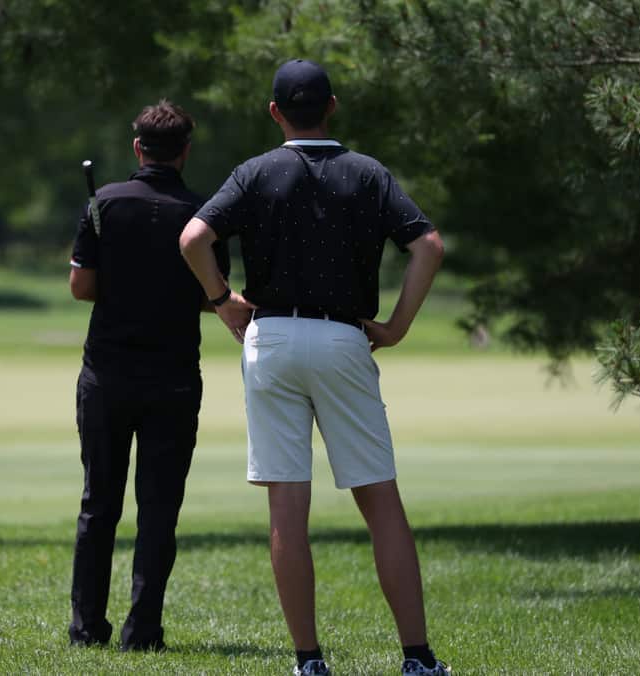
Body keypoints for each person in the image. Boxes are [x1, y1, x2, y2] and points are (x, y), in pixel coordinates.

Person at [179, 60, 451, 676]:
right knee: (379, 498)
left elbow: (194, 239)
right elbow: (427, 246)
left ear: (275, 113)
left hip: (270, 337)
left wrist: (222, 302)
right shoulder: (368, 173)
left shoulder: (254, 173)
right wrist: (399, 326)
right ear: (331, 105)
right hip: (343, 338)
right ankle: (417, 658)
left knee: (286, 505)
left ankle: (308, 662)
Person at [68, 100, 229, 652]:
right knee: (159, 510)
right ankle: (143, 632)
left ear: (138, 148)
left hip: (107, 376)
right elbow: (215, 294)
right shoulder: (206, 212)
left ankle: (86, 629)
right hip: (174, 380)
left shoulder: (103, 204)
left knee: (99, 505)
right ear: (185, 151)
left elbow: (81, 288)